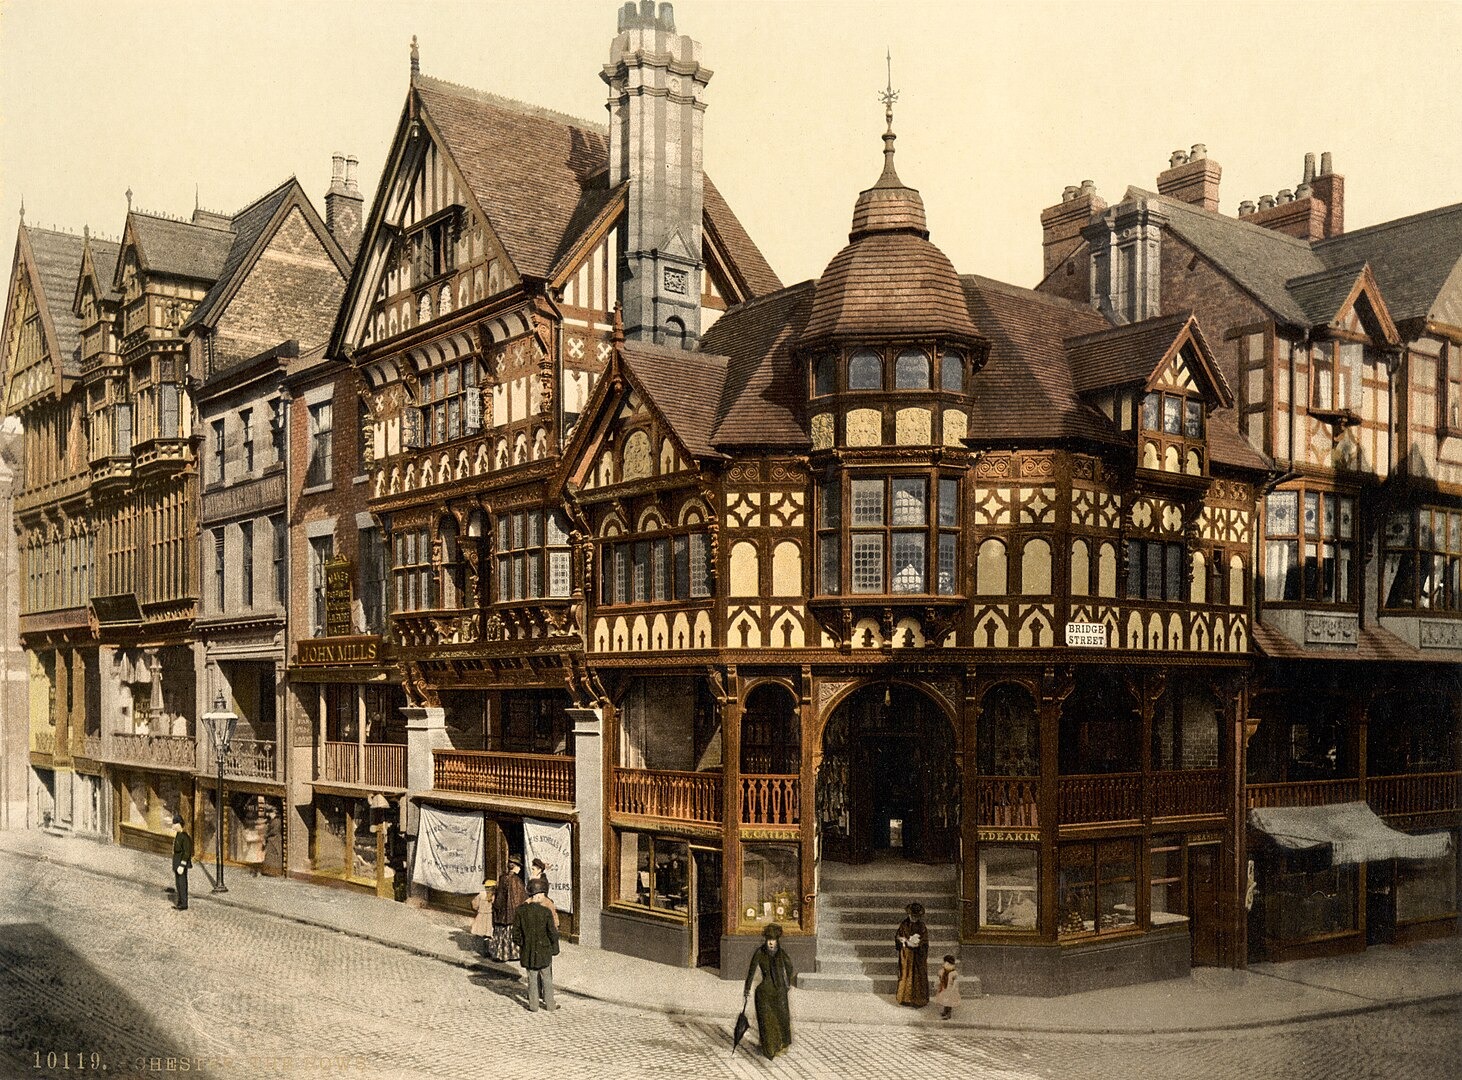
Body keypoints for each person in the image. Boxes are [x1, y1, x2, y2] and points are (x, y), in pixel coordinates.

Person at [742, 923, 795, 1059]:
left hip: (779, 992)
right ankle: (769, 1048)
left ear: (777, 941)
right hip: (764, 994)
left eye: (773, 940)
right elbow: (751, 972)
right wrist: (747, 989)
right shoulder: (759, 953)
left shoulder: (781, 954)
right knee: (767, 1022)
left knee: (782, 1019)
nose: (771, 943)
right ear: (765, 940)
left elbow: (789, 968)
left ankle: (781, 1045)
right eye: (768, 940)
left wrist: (787, 983)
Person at [511, 878, 560, 1012]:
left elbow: (515, 934)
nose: (543, 897)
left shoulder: (520, 911)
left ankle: (533, 1006)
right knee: (547, 978)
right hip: (544, 951)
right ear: (538, 895)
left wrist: (524, 944)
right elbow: (553, 933)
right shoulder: (545, 912)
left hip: (528, 951)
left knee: (532, 978)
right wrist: (554, 948)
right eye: (543, 894)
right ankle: (550, 1005)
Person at [490, 855, 528, 961]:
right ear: (515, 867)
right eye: (519, 866)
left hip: (502, 911)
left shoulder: (502, 878)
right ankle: (513, 954)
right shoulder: (517, 881)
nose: (520, 868)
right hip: (512, 912)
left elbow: (499, 896)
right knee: (511, 931)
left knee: (501, 931)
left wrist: (497, 907)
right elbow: (521, 898)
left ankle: (500, 954)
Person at [894, 902, 929, 1007]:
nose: (913, 918)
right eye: (912, 916)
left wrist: (917, 944)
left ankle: (919, 1000)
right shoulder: (904, 924)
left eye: (916, 916)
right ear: (909, 914)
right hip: (907, 955)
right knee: (906, 974)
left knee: (918, 976)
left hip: (918, 955)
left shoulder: (922, 926)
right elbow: (898, 936)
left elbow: (925, 941)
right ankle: (905, 998)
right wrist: (902, 940)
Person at [171, 816, 192, 910]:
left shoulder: (184, 836)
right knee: (178, 883)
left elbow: (187, 852)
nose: (173, 826)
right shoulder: (178, 835)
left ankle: (184, 903)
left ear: (179, 824)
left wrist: (182, 865)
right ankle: (180, 902)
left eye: (175, 824)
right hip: (177, 861)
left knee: (182, 883)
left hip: (181, 863)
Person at [470, 879, 496, 956]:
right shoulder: (494, 896)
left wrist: (477, 909)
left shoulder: (481, 894)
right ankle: (487, 950)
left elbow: (474, 904)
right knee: (488, 933)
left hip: (481, 915)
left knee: (481, 933)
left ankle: (482, 950)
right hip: (489, 916)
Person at [934, 954, 960, 1019]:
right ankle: (945, 1011)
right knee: (945, 1001)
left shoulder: (953, 973)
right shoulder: (942, 971)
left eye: (950, 964)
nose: (946, 965)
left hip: (950, 989)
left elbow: (955, 982)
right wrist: (938, 984)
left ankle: (949, 1013)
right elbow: (940, 978)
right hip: (944, 988)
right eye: (946, 963)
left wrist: (954, 988)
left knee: (949, 1002)